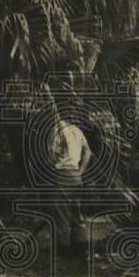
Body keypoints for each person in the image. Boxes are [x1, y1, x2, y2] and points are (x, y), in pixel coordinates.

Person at [50, 102, 92, 257]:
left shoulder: (58, 130)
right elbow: (88, 152)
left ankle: (63, 250)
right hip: (75, 175)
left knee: (61, 212)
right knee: (77, 212)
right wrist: (80, 171)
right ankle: (82, 249)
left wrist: (53, 164)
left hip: (62, 173)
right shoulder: (77, 131)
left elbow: (53, 154)